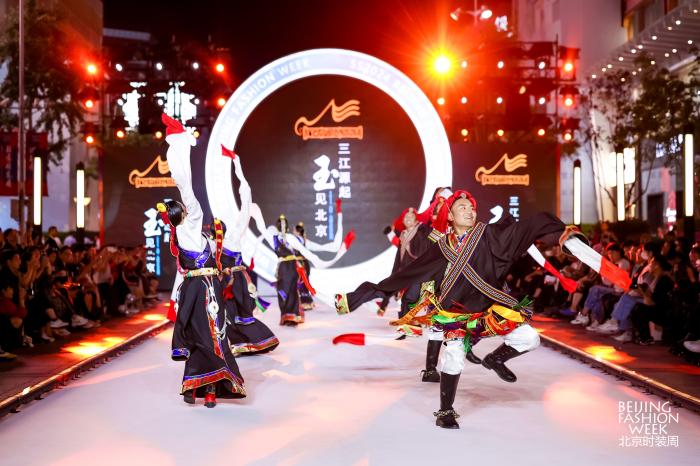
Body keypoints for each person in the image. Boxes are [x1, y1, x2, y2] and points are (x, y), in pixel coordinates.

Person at [336, 190, 631, 429]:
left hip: (491, 307)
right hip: (456, 313)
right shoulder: (440, 247)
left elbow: (528, 227)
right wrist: (362, 295)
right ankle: (445, 410)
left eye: (471, 207)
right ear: (451, 216)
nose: (469, 211)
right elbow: (407, 274)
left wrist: (563, 236)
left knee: (530, 338)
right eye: (461, 207)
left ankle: (495, 359)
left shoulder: (490, 235)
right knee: (454, 357)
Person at [161, 114, 245, 407]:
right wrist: (180, 144)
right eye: (183, 208)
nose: (189, 209)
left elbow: (184, 271)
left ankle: (196, 387)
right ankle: (205, 389)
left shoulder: (190, 235)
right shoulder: (187, 227)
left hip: (202, 288)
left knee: (205, 335)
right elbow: (187, 190)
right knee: (209, 335)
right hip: (202, 289)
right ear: (181, 214)